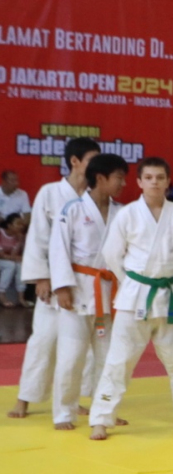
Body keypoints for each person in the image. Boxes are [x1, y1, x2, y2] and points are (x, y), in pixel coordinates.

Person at [86, 158, 173, 434]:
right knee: (119, 360)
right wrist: (132, 282)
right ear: (139, 182)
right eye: (149, 177)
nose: (154, 182)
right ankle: (101, 419)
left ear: (168, 181)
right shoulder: (128, 214)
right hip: (135, 296)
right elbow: (111, 254)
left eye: (160, 177)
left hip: (171, 294)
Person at [9, 138, 101, 419]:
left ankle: (72, 400)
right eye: (91, 160)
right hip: (53, 280)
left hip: (85, 283)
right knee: (43, 341)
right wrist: (41, 277)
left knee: (82, 348)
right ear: (74, 161)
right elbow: (38, 237)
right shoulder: (49, 193)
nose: (96, 165)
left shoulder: (95, 196)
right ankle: (25, 398)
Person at [48, 154, 126, 434]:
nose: (123, 183)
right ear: (101, 178)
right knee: (71, 358)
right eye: (119, 177)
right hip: (79, 290)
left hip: (111, 292)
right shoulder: (72, 210)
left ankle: (104, 411)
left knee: (109, 359)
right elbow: (58, 249)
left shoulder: (122, 212)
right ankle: (63, 412)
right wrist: (61, 287)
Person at [0, 213, 26, 307]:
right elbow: (1, 255)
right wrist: (18, 258)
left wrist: (20, 241)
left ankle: (21, 297)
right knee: (10, 265)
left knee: (19, 265)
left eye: (22, 224)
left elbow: (13, 255)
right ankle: (1, 293)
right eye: (18, 224)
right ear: (9, 225)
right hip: (2, 260)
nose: (21, 226)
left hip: (6, 260)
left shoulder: (18, 236)